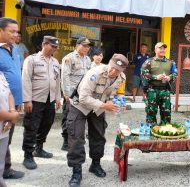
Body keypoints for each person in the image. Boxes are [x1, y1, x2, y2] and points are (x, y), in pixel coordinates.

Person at [67, 54, 128, 186]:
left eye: (117, 70)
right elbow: (83, 97)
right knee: (76, 137)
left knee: (99, 136)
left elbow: (112, 94)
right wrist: (105, 105)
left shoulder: (121, 78)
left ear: (122, 71)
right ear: (109, 63)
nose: (113, 72)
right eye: (112, 68)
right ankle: (76, 171)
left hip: (98, 107)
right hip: (80, 106)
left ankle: (95, 164)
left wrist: (115, 103)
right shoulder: (95, 73)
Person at [21, 36, 61, 170]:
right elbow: (25, 79)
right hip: (35, 100)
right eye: (52, 46)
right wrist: (27, 100)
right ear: (44, 44)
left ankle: (39, 149)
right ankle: (27, 155)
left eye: (56, 47)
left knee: (46, 124)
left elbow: (57, 81)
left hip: (50, 100)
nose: (54, 49)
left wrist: (57, 98)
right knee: (31, 127)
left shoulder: (55, 62)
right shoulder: (32, 59)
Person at [0, 17, 24, 180]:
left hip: (12, 103)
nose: (16, 35)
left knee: (6, 138)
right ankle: (5, 169)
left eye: (17, 31)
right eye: (12, 31)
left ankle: (5, 168)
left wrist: (19, 101)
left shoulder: (15, 48)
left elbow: (16, 74)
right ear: (0, 31)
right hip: (2, 104)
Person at [61, 37, 92, 151]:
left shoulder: (88, 59)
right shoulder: (69, 58)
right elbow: (64, 77)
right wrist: (67, 94)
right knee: (68, 117)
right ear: (77, 45)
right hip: (71, 93)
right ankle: (65, 141)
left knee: (79, 117)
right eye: (84, 45)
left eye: (88, 46)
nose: (86, 48)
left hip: (83, 94)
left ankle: (77, 138)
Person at [141, 42, 177, 125]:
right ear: (155, 50)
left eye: (164, 48)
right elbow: (143, 74)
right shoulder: (149, 62)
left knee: (166, 114)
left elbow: (175, 74)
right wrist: (155, 77)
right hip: (151, 91)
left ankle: (165, 131)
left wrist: (170, 77)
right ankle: (151, 131)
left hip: (165, 91)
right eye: (160, 48)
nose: (162, 50)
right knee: (151, 113)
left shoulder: (171, 62)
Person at [0, 72, 20, 187]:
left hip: (3, 130)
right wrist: (13, 117)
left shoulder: (1, 74)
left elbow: (9, 94)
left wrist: (12, 111)